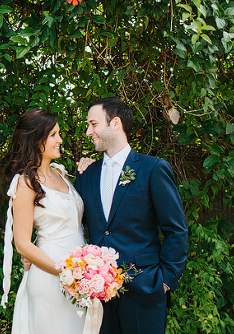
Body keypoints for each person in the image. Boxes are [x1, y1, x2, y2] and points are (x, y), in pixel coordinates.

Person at [74, 97, 188, 334]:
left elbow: (176, 229)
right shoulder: (86, 175)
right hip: (99, 297)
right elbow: (75, 226)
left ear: (115, 123)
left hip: (144, 291)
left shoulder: (152, 169)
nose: (88, 132)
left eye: (93, 124)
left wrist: (165, 281)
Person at [0, 108, 97, 334]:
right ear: (36, 139)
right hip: (51, 277)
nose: (60, 140)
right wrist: (65, 273)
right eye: (54, 135)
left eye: (59, 134)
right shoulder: (25, 183)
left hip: (80, 277)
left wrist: (93, 168)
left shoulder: (61, 174)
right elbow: (22, 243)